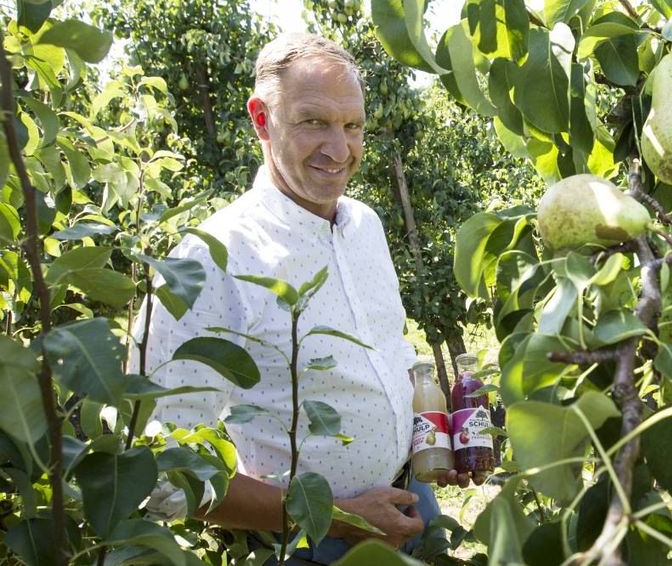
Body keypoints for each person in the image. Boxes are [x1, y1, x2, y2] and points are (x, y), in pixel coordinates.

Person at [135, 32, 468, 562]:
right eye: (314, 121)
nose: (340, 150)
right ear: (262, 119)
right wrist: (341, 514)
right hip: (308, 543)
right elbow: (164, 471)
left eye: (352, 125)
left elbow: (389, 355)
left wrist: (434, 439)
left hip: (410, 504)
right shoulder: (208, 262)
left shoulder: (365, 225)